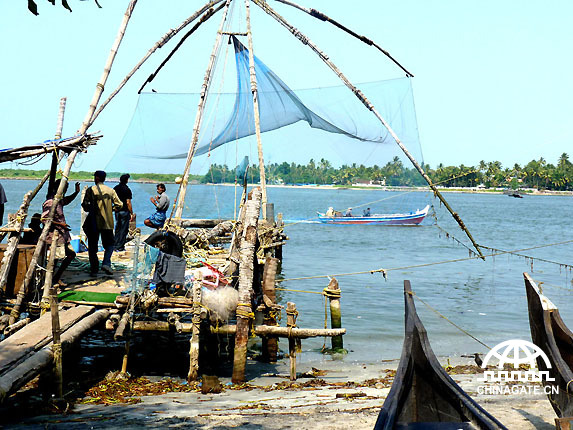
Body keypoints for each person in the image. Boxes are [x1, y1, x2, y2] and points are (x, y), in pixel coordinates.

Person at [82, 170, 123, 276]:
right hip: (107, 223)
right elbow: (120, 205)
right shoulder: (111, 191)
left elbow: (85, 206)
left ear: (97, 178)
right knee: (109, 245)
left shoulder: (91, 190)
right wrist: (111, 209)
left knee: (92, 247)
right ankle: (106, 263)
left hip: (93, 223)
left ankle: (94, 270)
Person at [42, 179, 80, 286]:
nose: (65, 190)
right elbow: (44, 219)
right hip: (54, 235)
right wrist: (60, 225)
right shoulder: (50, 202)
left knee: (70, 255)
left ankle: (55, 278)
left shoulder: (58, 200)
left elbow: (66, 200)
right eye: (65, 188)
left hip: (62, 235)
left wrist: (76, 192)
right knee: (56, 259)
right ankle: (50, 280)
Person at [113, 174, 135, 252]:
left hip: (117, 211)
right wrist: (131, 213)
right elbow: (128, 202)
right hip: (124, 211)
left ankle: (115, 245)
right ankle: (120, 246)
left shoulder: (115, 188)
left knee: (118, 228)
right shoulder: (127, 189)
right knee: (124, 229)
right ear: (126, 180)